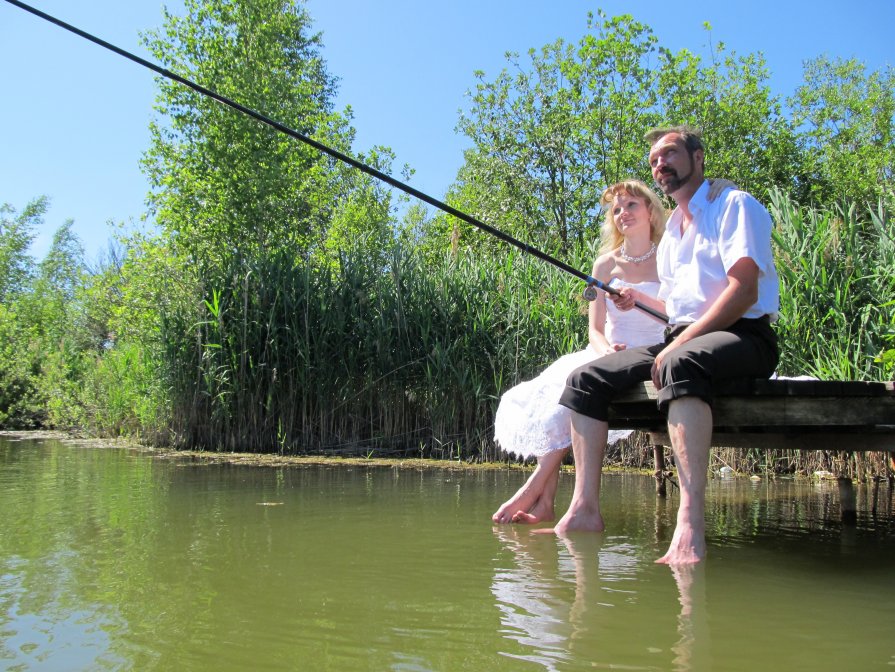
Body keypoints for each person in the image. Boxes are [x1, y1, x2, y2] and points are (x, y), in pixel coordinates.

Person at [553, 125, 780, 565]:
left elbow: (744, 291)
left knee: (681, 364)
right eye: (655, 160)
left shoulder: (733, 205)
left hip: (744, 335)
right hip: (682, 338)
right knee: (583, 379)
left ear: (698, 157)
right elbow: (676, 309)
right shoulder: (673, 229)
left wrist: (683, 342)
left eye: (670, 154)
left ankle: (690, 522)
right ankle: (584, 509)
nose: (660, 164)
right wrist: (637, 301)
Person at [492, 180, 668, 525]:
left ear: (650, 210)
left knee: (572, 392)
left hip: (653, 351)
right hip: (605, 353)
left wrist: (639, 297)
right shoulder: (604, 266)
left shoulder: (670, 256)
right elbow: (595, 329)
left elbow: (678, 312)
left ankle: (535, 490)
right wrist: (605, 353)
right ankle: (544, 503)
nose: (623, 214)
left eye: (631, 205)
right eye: (616, 209)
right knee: (546, 396)